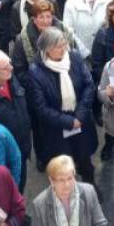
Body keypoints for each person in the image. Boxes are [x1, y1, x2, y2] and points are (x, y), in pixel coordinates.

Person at [26, 26, 97, 183]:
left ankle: (90, 186)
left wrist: (79, 116)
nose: (63, 49)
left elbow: (88, 86)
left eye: (63, 44)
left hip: (81, 121)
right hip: (56, 129)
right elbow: (41, 107)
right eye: (57, 46)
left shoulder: (75, 58)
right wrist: (68, 122)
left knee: (85, 161)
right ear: (46, 49)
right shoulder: (36, 71)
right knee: (63, 167)